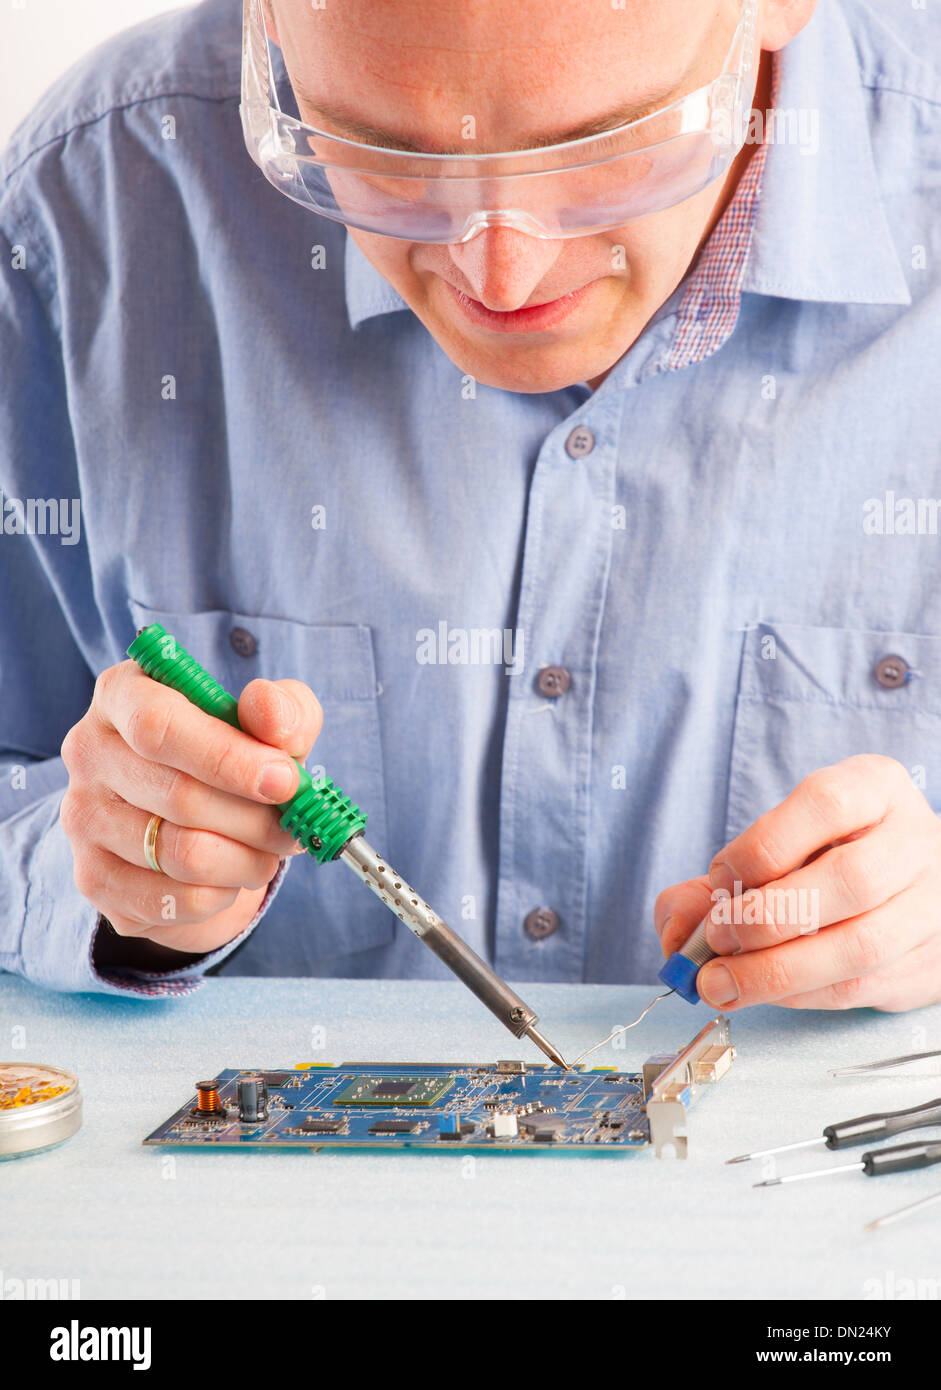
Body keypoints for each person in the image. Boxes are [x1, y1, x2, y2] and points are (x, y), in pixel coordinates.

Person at [1, 0, 939, 1015]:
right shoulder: (92, 206)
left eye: (600, 143)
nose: (502, 272)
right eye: (382, 151)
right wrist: (91, 872)